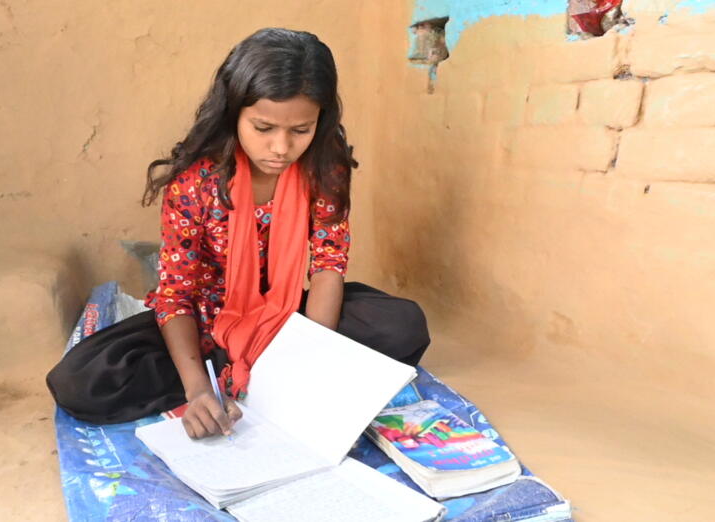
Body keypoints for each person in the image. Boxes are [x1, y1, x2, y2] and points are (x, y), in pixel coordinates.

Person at [46, 28, 430, 439]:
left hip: (286, 317)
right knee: (82, 381)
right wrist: (196, 390)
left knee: (401, 325)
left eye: (301, 130)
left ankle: (251, 372)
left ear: (321, 120)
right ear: (234, 113)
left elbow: (327, 265)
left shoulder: (324, 167)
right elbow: (175, 293)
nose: (281, 147)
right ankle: (223, 377)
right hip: (207, 320)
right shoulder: (196, 181)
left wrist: (309, 358)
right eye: (263, 128)